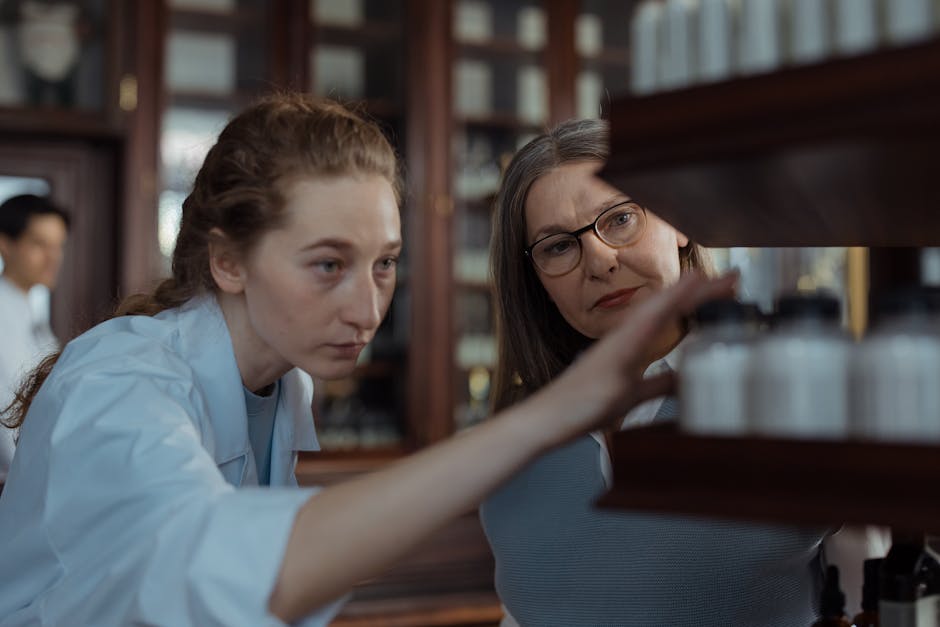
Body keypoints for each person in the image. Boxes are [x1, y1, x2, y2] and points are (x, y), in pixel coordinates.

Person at [0, 93, 737, 626]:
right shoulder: (119, 380)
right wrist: (551, 415)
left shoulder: (282, 383)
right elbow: (209, 576)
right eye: (328, 265)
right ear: (227, 261)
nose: (367, 309)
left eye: (383, 265)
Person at [480, 118, 829, 627]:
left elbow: (882, 590)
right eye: (558, 246)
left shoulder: (784, 391)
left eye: (620, 218)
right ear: (535, 281)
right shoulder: (513, 441)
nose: (598, 261)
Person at [0, 193, 69, 485]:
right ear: (5, 244)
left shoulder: (31, 313)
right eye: (39, 244)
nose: (53, 257)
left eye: (59, 246)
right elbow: (7, 413)